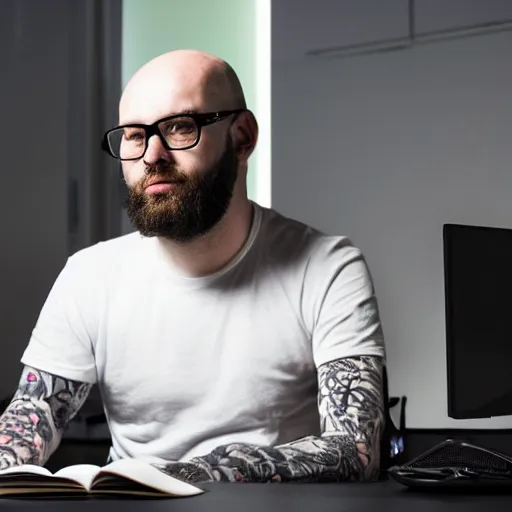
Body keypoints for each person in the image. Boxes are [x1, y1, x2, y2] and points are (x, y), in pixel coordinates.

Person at [0, 50, 387, 483]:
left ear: (242, 137)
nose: (152, 155)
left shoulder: (328, 268)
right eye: (133, 135)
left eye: (179, 127)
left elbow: (355, 450)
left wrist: (181, 474)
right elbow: (29, 420)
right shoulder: (88, 276)